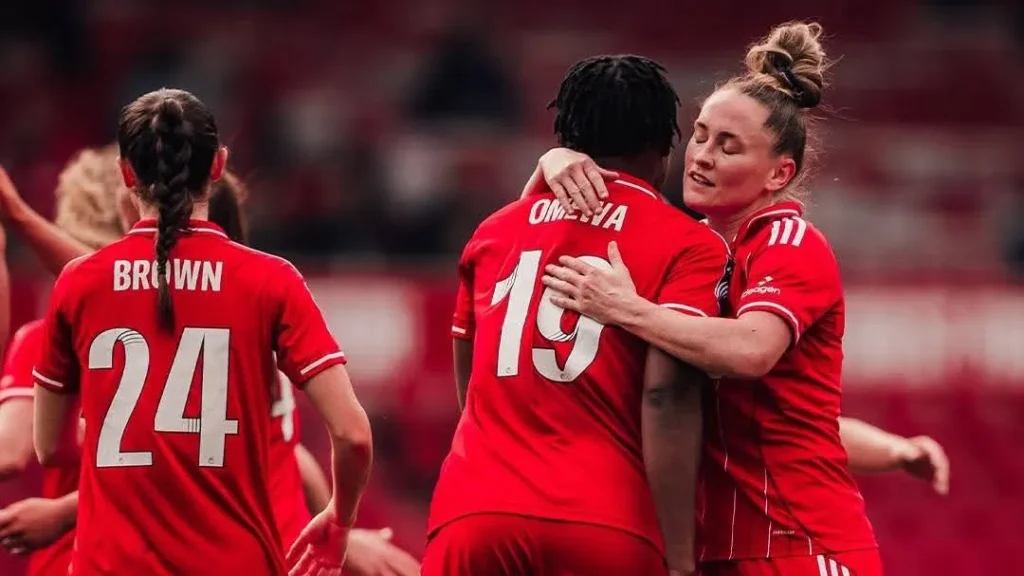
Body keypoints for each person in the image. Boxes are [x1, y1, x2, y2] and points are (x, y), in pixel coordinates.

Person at [536, 21, 887, 576]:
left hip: (796, 546)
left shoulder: (789, 242)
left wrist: (627, 308)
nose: (701, 156)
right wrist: (552, 164)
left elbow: (751, 351)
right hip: (719, 550)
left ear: (779, 174)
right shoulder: (694, 250)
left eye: (728, 146)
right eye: (699, 135)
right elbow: (793, 419)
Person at [0, 149, 419, 575]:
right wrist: (337, 526)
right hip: (255, 554)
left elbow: (16, 452)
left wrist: (64, 512)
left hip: (123, 557)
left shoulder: (68, 328)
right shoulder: (250, 327)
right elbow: (293, 455)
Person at [424, 55, 730, 576]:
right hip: (606, 519)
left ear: (567, 137)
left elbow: (470, 379)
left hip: (474, 512)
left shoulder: (493, 230)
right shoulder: (690, 245)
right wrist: (680, 553)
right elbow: (666, 395)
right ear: (665, 148)